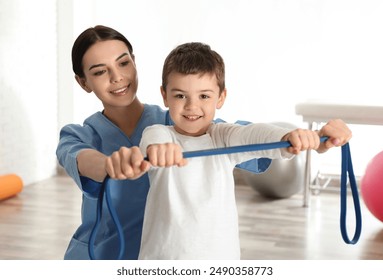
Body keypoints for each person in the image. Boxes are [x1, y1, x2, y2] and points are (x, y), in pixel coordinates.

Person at [56, 25, 278, 260]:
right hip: (104, 255)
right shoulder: (77, 135)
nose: (117, 77)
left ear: (134, 61)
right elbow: (82, 159)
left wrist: (303, 138)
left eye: (123, 63)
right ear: (83, 82)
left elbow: (243, 137)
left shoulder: (180, 123)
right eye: (100, 71)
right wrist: (112, 164)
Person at [123, 42, 352, 259]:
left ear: (221, 97)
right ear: (164, 95)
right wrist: (160, 150)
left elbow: (253, 133)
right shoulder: (158, 133)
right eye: (180, 95)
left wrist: (289, 137)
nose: (192, 106)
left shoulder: (223, 137)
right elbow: (153, 142)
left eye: (204, 96)